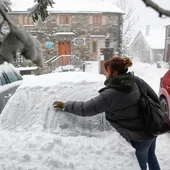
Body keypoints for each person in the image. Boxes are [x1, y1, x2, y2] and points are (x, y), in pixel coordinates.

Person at [53, 57, 160, 170]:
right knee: (151, 157)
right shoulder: (135, 80)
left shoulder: (111, 95)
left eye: (106, 72)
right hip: (152, 127)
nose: (104, 74)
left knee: (140, 166)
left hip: (139, 137)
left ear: (114, 73)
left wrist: (65, 105)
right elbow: (154, 98)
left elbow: (86, 108)